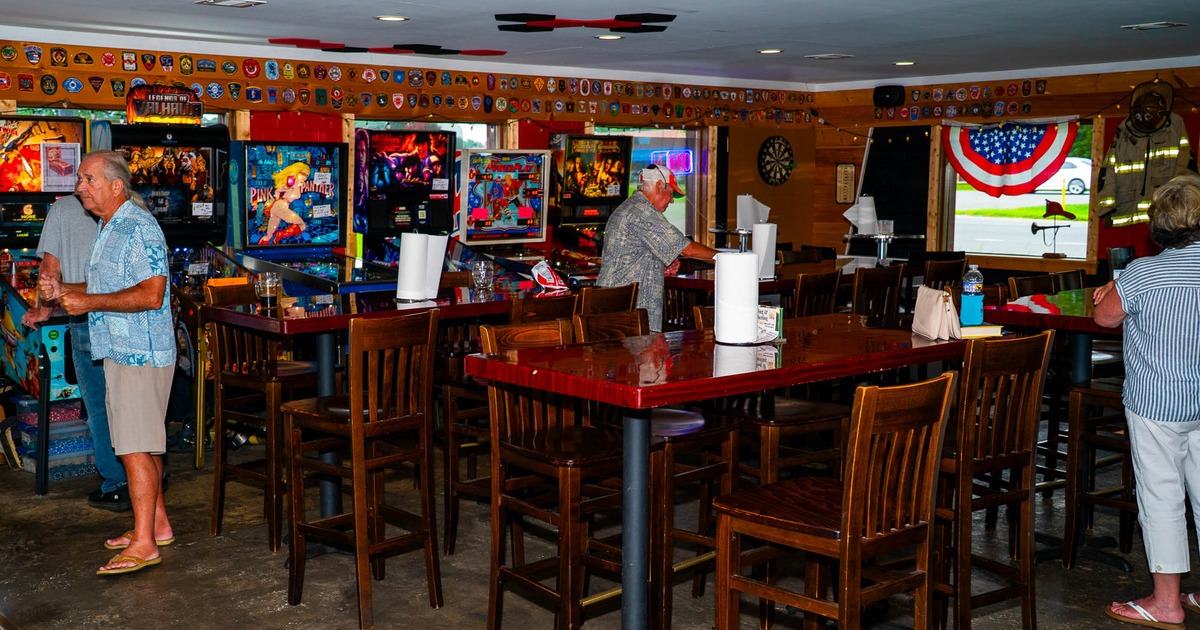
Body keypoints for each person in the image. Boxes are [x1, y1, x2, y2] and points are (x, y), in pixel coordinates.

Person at [41, 150, 176, 576]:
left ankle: (144, 544)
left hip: (140, 351)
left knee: (134, 448)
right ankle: (156, 524)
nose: (79, 186)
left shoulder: (139, 227)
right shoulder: (109, 226)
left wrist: (90, 300)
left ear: (116, 186)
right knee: (144, 444)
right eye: (79, 179)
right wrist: (63, 289)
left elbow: (153, 293)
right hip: (120, 349)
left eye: (87, 179)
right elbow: (102, 287)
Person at [1095, 174, 1200, 627]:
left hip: (1157, 400)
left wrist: (1109, 294)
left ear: (1158, 225)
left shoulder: (1142, 272)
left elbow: (1104, 317)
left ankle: (1167, 602)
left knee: (1161, 494)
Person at [22, 194, 130, 512]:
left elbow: (50, 269)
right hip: (127, 316)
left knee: (97, 405)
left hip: (86, 316)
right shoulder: (126, 205)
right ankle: (148, 475)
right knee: (129, 402)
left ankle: (117, 483)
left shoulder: (63, 208)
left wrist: (42, 311)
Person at [597, 164, 717, 332]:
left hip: (621, 309)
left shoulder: (631, 207)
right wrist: (727, 259)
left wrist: (660, 266)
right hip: (628, 314)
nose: (672, 200)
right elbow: (687, 249)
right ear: (659, 186)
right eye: (671, 193)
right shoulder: (642, 212)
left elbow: (636, 255)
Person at [258, 161, 309, 245]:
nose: (306, 177)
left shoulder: (297, 183)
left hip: (278, 207)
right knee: (301, 225)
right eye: (304, 174)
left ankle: (260, 248)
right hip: (280, 206)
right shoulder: (293, 181)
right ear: (298, 171)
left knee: (268, 236)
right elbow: (283, 188)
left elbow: (278, 192)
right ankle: (281, 234)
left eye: (307, 175)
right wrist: (288, 187)